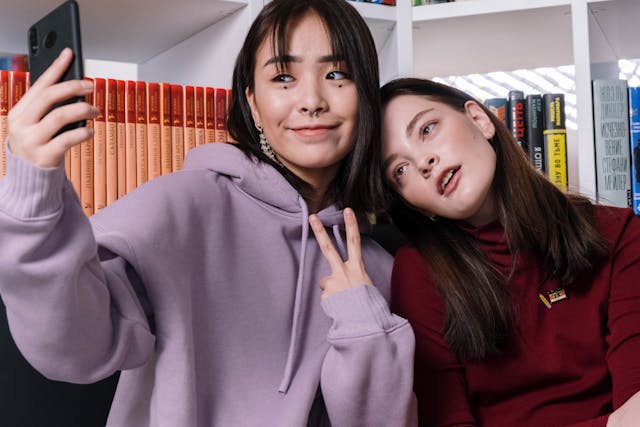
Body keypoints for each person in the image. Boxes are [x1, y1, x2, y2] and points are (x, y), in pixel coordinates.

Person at [0, 1, 417, 425]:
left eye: (336, 75)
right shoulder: (181, 205)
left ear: (366, 95)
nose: (311, 100)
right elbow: (76, 348)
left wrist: (365, 323)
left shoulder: (381, 266)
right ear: (252, 102)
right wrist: (33, 194)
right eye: (283, 77)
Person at [370, 77, 640, 426]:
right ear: (416, 205)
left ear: (480, 120)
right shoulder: (418, 271)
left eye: (427, 129)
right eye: (400, 170)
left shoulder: (618, 233)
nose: (423, 162)